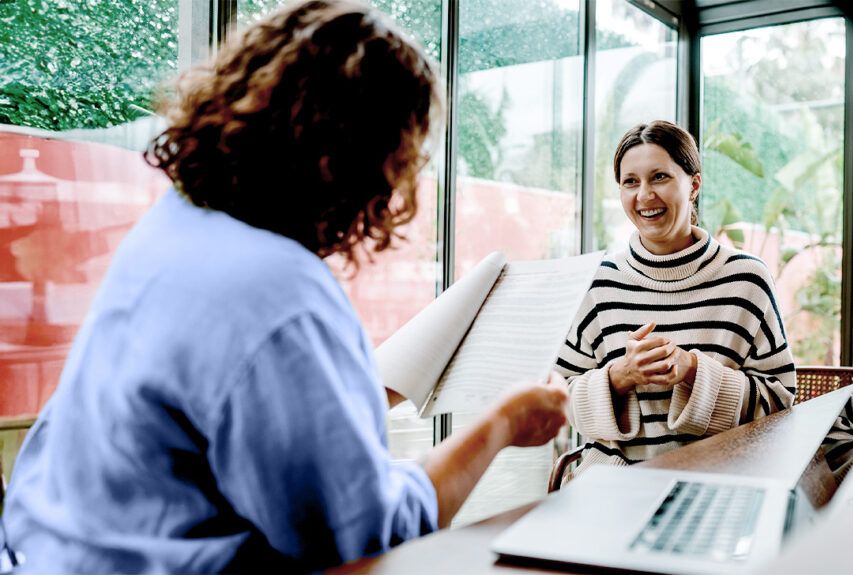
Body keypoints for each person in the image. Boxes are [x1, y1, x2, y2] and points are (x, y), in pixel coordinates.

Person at [1, 1, 568, 573]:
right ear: (369, 159)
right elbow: (365, 540)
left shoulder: (172, 226)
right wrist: (503, 423)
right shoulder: (278, 295)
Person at [555, 120, 795, 479]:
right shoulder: (597, 282)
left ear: (694, 184)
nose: (644, 195)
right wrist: (620, 376)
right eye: (630, 182)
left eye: (660, 177)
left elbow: (781, 402)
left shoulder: (747, 279)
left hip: (718, 481)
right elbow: (560, 395)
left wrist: (694, 371)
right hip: (611, 484)